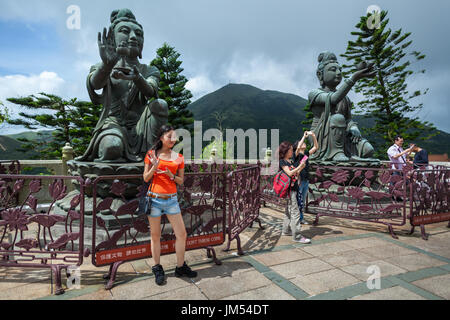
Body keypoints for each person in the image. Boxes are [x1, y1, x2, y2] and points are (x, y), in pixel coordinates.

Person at [77, 9, 168, 163]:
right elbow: (95, 84)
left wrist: (137, 77)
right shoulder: (102, 66)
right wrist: (107, 65)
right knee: (111, 148)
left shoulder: (149, 70)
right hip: (113, 126)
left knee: (160, 104)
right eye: (125, 31)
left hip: (141, 129)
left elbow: (151, 91)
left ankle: (152, 156)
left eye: (138, 34)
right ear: (112, 38)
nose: (133, 37)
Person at [143, 125, 197, 285]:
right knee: (155, 236)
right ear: (161, 138)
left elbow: (181, 180)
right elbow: (146, 178)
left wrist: (170, 175)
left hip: (172, 200)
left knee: (182, 234)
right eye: (169, 136)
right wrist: (155, 166)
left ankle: (180, 267)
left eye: (174, 137)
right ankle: (157, 267)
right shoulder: (151, 154)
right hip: (154, 199)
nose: (173, 139)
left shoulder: (179, 157)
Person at [308, 51, 376, 162]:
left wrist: (353, 127)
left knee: (368, 150)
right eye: (333, 70)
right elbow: (333, 99)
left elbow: (348, 119)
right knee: (337, 118)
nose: (338, 73)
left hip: (343, 135)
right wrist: (354, 77)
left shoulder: (345, 98)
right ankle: (336, 153)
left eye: (340, 70)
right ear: (320, 75)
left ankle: (348, 155)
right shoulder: (314, 93)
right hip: (321, 138)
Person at [278, 141, 311, 244]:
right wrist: (299, 167)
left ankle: (285, 230)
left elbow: (294, 174)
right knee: (295, 213)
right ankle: (297, 236)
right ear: (286, 151)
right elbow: (289, 172)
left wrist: (300, 168)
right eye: (291, 150)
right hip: (290, 190)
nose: (292, 151)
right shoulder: (283, 162)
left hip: (294, 189)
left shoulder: (290, 161)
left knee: (288, 211)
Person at [292, 131, 319, 224]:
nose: (303, 143)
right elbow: (299, 147)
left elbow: (316, 147)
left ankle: (301, 218)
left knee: (302, 200)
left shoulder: (306, 154)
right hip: (298, 181)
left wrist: (314, 136)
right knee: (298, 200)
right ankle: (297, 218)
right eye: (301, 142)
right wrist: (304, 136)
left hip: (305, 181)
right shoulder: (295, 155)